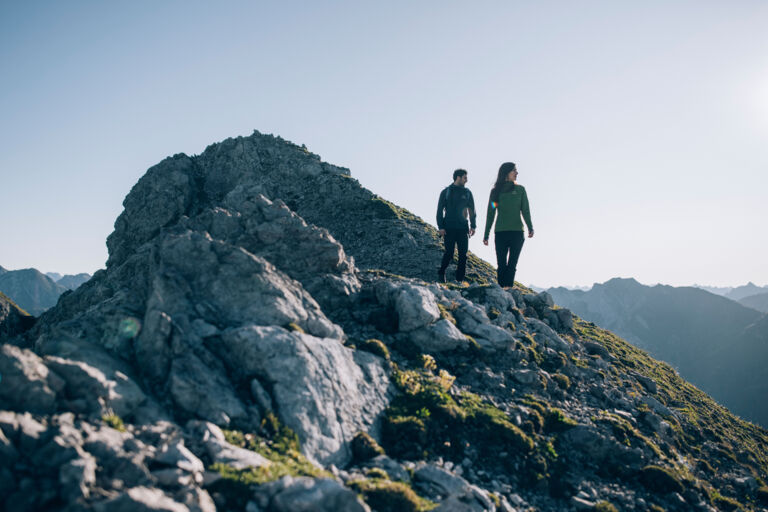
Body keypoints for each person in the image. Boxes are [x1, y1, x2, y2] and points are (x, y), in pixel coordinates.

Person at [483, 162, 533, 287]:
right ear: (506, 173)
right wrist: (486, 234)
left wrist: (530, 227)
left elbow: (525, 210)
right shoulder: (495, 192)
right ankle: (501, 290)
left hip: (517, 233)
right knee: (501, 265)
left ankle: (508, 291)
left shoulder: (520, 190)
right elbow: (491, 213)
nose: (517, 173)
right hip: (500, 233)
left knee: (512, 265)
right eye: (514, 171)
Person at [436, 169, 477, 283]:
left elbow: (472, 210)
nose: (467, 180)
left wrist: (473, 226)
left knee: (463, 255)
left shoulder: (468, 193)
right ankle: (441, 272)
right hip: (448, 228)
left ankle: (459, 280)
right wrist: (441, 227)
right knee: (449, 253)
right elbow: (439, 211)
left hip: (463, 228)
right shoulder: (446, 192)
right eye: (465, 177)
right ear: (458, 177)